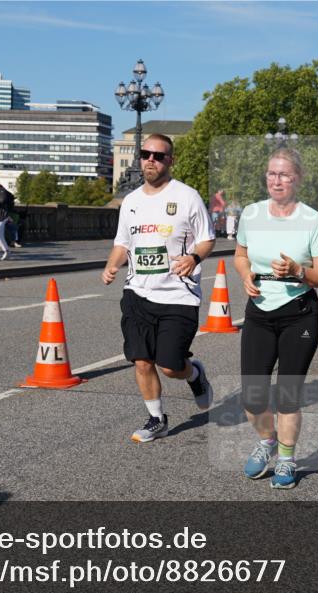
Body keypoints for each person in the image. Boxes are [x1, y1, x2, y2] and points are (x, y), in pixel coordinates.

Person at [101, 134, 215, 443]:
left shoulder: (187, 197)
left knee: (169, 366)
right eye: (146, 154)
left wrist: (193, 258)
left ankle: (194, 374)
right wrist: (112, 265)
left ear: (170, 161)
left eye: (158, 156)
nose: (150, 160)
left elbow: (207, 239)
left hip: (178, 295)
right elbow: (122, 243)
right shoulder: (131, 201)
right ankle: (157, 419)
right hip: (137, 292)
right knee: (141, 360)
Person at [234, 147, 318, 490]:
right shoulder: (251, 214)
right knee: (252, 396)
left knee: (288, 394)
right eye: (272, 174)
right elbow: (240, 254)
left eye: (284, 175)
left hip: (298, 314)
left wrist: (298, 270)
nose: (276, 180)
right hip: (259, 312)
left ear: (298, 179)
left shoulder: (312, 220)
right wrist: (245, 274)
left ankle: (287, 459)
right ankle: (267, 441)